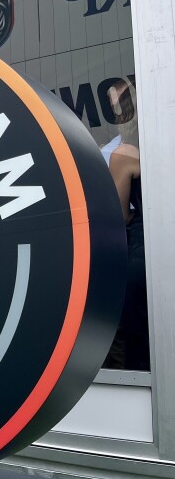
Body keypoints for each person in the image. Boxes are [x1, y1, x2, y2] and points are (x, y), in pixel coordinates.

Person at [104, 80, 150, 371]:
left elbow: (117, 216)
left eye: (122, 108)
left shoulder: (123, 155)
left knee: (138, 345)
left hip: (142, 255)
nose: (120, 116)